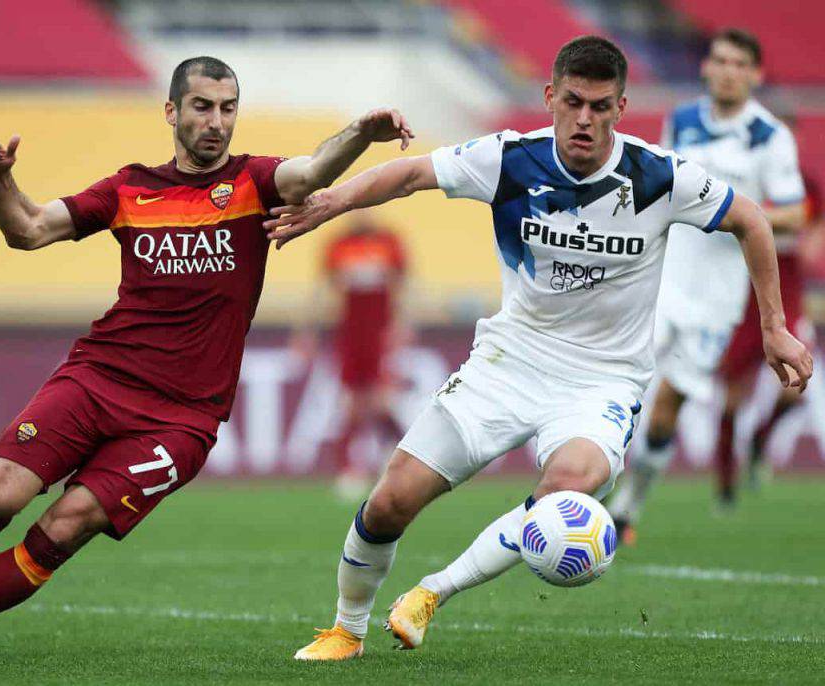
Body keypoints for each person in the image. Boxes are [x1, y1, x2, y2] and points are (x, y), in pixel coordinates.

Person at [263, 36, 811, 660]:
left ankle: (432, 592)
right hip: (509, 362)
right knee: (389, 502)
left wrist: (774, 326)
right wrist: (333, 200)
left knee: (568, 488)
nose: (585, 119)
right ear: (550, 98)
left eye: (600, 106)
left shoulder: (656, 175)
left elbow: (752, 220)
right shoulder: (509, 159)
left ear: (621, 108)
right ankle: (346, 629)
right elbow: (413, 173)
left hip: (601, 382)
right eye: (573, 101)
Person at [0, 56, 413, 665]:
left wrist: (360, 132)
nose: (216, 121)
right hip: (99, 377)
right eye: (202, 106)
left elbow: (313, 171)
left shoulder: (252, 182)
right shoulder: (128, 189)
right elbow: (27, 229)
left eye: (227, 108)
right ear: (171, 111)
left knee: (67, 523)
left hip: (181, 418)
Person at [607, 29, 807, 538]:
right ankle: (583, 484)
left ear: (755, 74)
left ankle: (630, 502)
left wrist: (734, 212)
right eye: (720, 60)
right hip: (662, 281)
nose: (728, 70)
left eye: (740, 63)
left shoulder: (769, 137)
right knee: (617, 385)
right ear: (706, 67)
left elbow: (795, 213)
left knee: (667, 408)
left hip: (720, 299)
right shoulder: (684, 120)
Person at [718, 168, 821, 492]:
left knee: (795, 387)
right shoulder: (742, 177)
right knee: (732, 400)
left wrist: (809, 237)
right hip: (742, 300)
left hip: (786, 300)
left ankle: (760, 442)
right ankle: (726, 481)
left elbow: (812, 224)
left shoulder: (805, 186)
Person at [295, 210, 409, 497]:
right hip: (350, 333)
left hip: (379, 333)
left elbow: (402, 287)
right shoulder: (338, 244)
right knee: (352, 402)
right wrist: (307, 331)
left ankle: (401, 462)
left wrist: (402, 325)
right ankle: (352, 469)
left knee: (380, 400)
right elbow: (322, 290)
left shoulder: (389, 241)